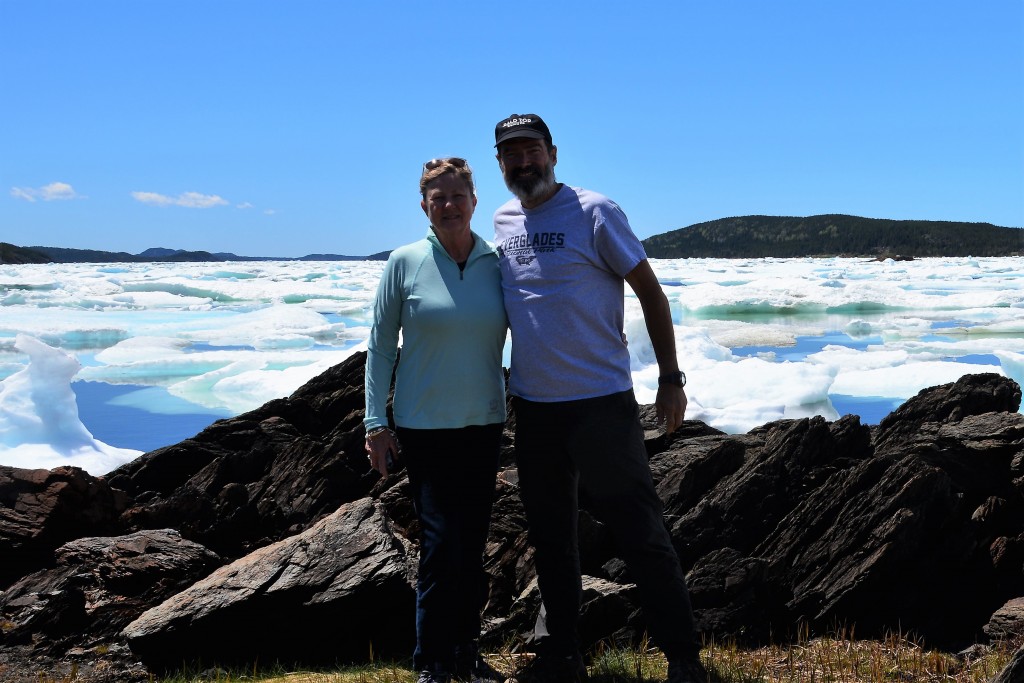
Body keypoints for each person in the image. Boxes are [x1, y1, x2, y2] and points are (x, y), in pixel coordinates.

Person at [491, 114, 708, 683]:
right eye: (510, 155)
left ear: (553, 153)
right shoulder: (503, 219)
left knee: (639, 531)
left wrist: (670, 380)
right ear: (500, 164)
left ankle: (683, 657)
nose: (523, 163)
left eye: (531, 150)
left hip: (601, 406)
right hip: (534, 410)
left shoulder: (594, 211)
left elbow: (652, 295)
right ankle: (563, 653)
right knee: (551, 537)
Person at [364, 157, 507, 683]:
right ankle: (432, 660)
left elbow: (541, 319)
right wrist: (373, 425)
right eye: (437, 198)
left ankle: (466, 654)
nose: (448, 205)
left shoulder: (496, 262)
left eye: (457, 195)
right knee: (441, 542)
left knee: (470, 545)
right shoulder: (404, 262)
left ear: (474, 200)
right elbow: (380, 349)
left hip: (484, 421)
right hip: (424, 426)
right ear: (424, 205)